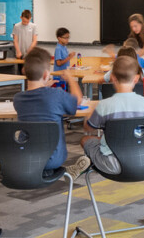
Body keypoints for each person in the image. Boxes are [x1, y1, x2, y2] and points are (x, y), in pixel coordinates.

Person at [13, 50, 91, 181]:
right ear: (45, 74)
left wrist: (43, 84)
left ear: (24, 72)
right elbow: (78, 99)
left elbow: (35, 98)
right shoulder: (55, 95)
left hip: (26, 157)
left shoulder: (18, 99)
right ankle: (63, 171)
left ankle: (44, 173)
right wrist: (71, 79)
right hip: (53, 159)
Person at [83, 53, 144, 176]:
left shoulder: (104, 105)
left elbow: (88, 128)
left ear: (112, 78)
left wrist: (89, 114)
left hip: (113, 164)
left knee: (86, 139)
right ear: (136, 79)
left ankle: (89, 164)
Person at [50, 27, 83, 102]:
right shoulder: (58, 48)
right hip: (59, 77)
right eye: (65, 38)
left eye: (68, 38)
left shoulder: (64, 47)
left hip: (64, 75)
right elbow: (58, 63)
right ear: (59, 38)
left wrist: (69, 56)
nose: (67, 40)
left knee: (66, 92)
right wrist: (69, 57)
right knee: (61, 95)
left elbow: (64, 58)